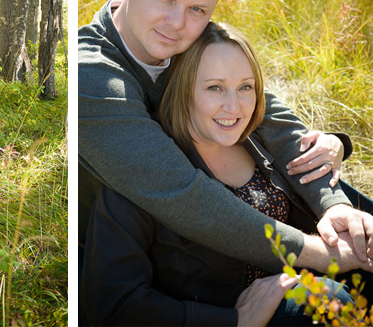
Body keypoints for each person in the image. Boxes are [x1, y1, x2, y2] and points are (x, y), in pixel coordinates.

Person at [78, 0, 373, 305]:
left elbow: (269, 117)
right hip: (153, 257)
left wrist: (332, 202)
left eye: (197, 8)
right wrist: (320, 253)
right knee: (330, 301)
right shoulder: (93, 73)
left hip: (223, 235)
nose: (176, 22)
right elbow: (184, 195)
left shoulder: (188, 39)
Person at [80, 22, 373, 326]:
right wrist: (234, 320)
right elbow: (113, 304)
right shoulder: (144, 171)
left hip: (300, 278)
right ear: (182, 89)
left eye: (245, 87)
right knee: (327, 303)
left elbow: (299, 146)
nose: (233, 106)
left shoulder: (257, 139)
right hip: (232, 312)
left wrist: (337, 191)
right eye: (214, 87)